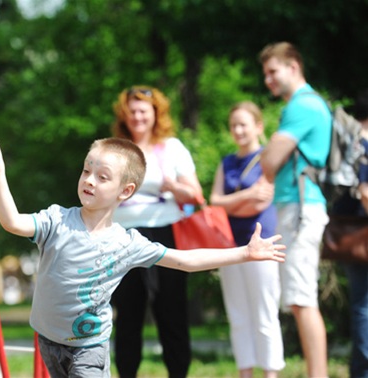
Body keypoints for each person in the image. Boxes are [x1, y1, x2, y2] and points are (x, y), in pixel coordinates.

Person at [0, 136, 286, 377]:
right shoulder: (56, 220)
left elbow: (185, 261)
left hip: (87, 348)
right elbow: (12, 222)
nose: (89, 180)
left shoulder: (128, 243)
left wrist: (245, 252)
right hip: (47, 340)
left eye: (102, 176)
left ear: (125, 191)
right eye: (86, 170)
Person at [109, 86, 203, 377]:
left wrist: (172, 186)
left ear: (155, 114)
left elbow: (196, 196)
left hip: (165, 233)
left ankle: (178, 373)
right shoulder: (115, 149)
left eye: (143, 111)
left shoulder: (172, 147)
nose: (137, 116)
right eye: (132, 111)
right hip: (122, 236)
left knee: (171, 310)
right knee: (127, 312)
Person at [259, 41, 331, 377]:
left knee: (303, 299)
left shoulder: (303, 105)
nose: (268, 80)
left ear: (293, 66)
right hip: (297, 205)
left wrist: (269, 153)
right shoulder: (305, 104)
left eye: (273, 72)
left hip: (301, 208)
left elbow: (270, 162)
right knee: (300, 299)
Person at [210, 102, 285, 377]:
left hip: (263, 244)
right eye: (234, 125)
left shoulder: (268, 159)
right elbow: (215, 202)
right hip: (229, 246)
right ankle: (245, 373)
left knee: (265, 314)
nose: (238, 130)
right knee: (238, 315)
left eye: (243, 124)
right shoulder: (227, 162)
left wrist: (233, 203)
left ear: (258, 126)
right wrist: (245, 196)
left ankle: (270, 373)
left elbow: (261, 202)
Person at [336, 90, 368, 377]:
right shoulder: (364, 144)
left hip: (351, 234)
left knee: (361, 306)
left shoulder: (349, 141)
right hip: (363, 232)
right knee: (363, 309)